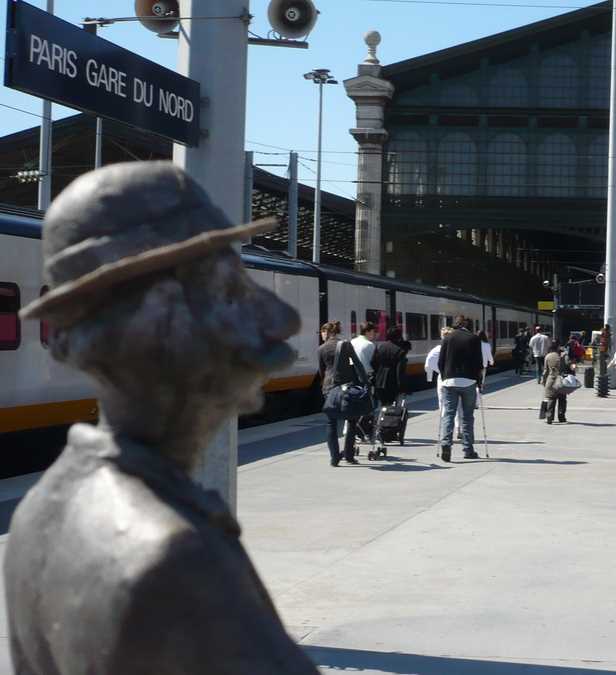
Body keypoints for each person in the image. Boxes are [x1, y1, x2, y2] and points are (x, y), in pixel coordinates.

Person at [7, 161, 318, 673]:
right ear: (156, 320)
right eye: (231, 294)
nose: (281, 321)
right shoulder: (172, 560)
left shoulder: (38, 511)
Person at [319, 321, 370, 466]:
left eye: (322, 332)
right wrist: (366, 383)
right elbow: (358, 365)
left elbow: (322, 371)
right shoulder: (346, 345)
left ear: (327, 332)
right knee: (352, 421)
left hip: (329, 389)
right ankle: (348, 455)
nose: (321, 335)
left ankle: (334, 458)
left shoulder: (321, 349)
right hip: (348, 388)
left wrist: (326, 387)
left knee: (331, 423)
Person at [437, 316, 485, 462]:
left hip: (449, 382)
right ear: (467, 325)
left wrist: (445, 377)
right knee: (467, 416)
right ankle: (468, 450)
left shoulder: (447, 338)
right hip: (469, 382)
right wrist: (479, 382)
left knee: (448, 415)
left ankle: (446, 445)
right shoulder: (474, 339)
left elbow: (441, 361)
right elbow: (479, 363)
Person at [426, 326, 459, 438]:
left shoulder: (437, 349)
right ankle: (458, 429)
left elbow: (428, 363)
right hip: (456, 378)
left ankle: (446, 432)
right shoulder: (458, 348)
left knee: (443, 405)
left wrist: (438, 371)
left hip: (443, 379)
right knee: (457, 405)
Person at [372, 326, 410, 407]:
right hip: (393, 382)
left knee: (383, 404)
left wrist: (379, 372)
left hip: (380, 380)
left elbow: (373, 362)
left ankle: (382, 418)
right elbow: (400, 371)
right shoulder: (400, 351)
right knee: (392, 406)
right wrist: (402, 388)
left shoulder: (380, 347)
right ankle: (389, 419)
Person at [543, 340, 573, 424]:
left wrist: (543, 381)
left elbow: (545, 371)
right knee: (562, 399)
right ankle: (561, 417)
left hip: (551, 380)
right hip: (561, 380)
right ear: (559, 346)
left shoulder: (548, 356)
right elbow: (569, 365)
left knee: (551, 399)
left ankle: (549, 417)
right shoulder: (564, 355)